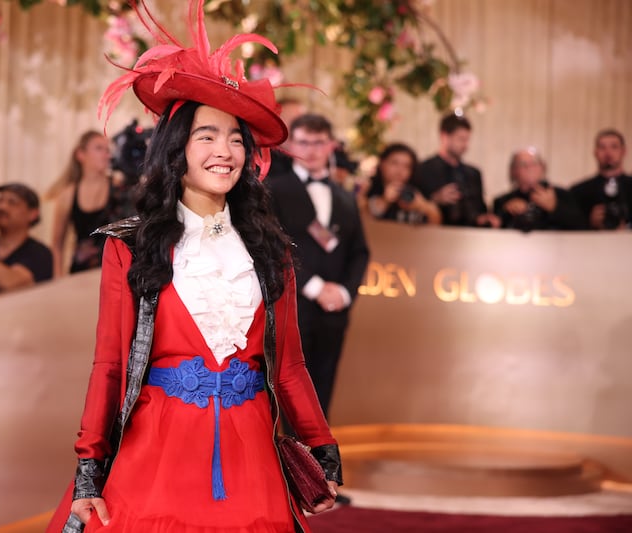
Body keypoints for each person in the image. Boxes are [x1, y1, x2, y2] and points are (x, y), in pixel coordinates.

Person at [46, 2, 341, 532]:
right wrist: (89, 465)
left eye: (235, 138)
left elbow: (291, 367)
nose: (224, 150)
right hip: (156, 451)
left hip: (252, 453)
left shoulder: (272, 252)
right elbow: (109, 365)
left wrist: (321, 446)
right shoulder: (130, 246)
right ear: (177, 149)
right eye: (207, 135)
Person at [265, 113, 370, 418]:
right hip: (291, 306)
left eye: (318, 142)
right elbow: (271, 247)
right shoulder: (274, 189)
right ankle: (289, 462)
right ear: (290, 145)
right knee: (286, 392)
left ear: (331, 146)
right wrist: (314, 287)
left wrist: (345, 293)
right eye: (303, 142)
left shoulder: (346, 197)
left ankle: (317, 461)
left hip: (334, 312)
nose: (311, 150)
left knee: (323, 391)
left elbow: (360, 252)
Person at [48, 131, 124, 276]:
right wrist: (58, 279)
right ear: (80, 155)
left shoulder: (119, 187)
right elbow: (57, 244)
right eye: (99, 148)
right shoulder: (68, 194)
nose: (106, 154)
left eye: (107, 150)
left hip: (113, 272)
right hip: (79, 273)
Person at [414, 113, 499, 228]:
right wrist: (434, 200)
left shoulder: (473, 173)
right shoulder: (423, 169)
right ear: (444, 136)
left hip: (469, 235)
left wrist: (483, 218)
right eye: (460, 139)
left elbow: (480, 209)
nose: (465, 145)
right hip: (435, 234)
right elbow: (414, 205)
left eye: (467, 139)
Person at [493, 147, 585, 231]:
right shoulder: (502, 201)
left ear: (543, 167)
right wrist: (506, 212)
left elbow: (582, 226)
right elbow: (494, 228)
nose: (528, 168)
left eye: (534, 163)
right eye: (522, 164)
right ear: (512, 171)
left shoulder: (562, 195)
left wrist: (554, 208)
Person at [365, 142, 442, 225]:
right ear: (382, 164)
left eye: (407, 166)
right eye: (394, 163)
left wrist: (422, 206)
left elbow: (436, 223)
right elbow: (363, 223)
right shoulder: (369, 188)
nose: (400, 171)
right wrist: (384, 201)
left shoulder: (417, 189)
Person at [570, 129, 631, 230]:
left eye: (614, 147)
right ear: (595, 152)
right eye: (602, 147)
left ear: (623, 151)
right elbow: (568, 228)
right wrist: (590, 223)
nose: (608, 153)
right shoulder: (578, 192)